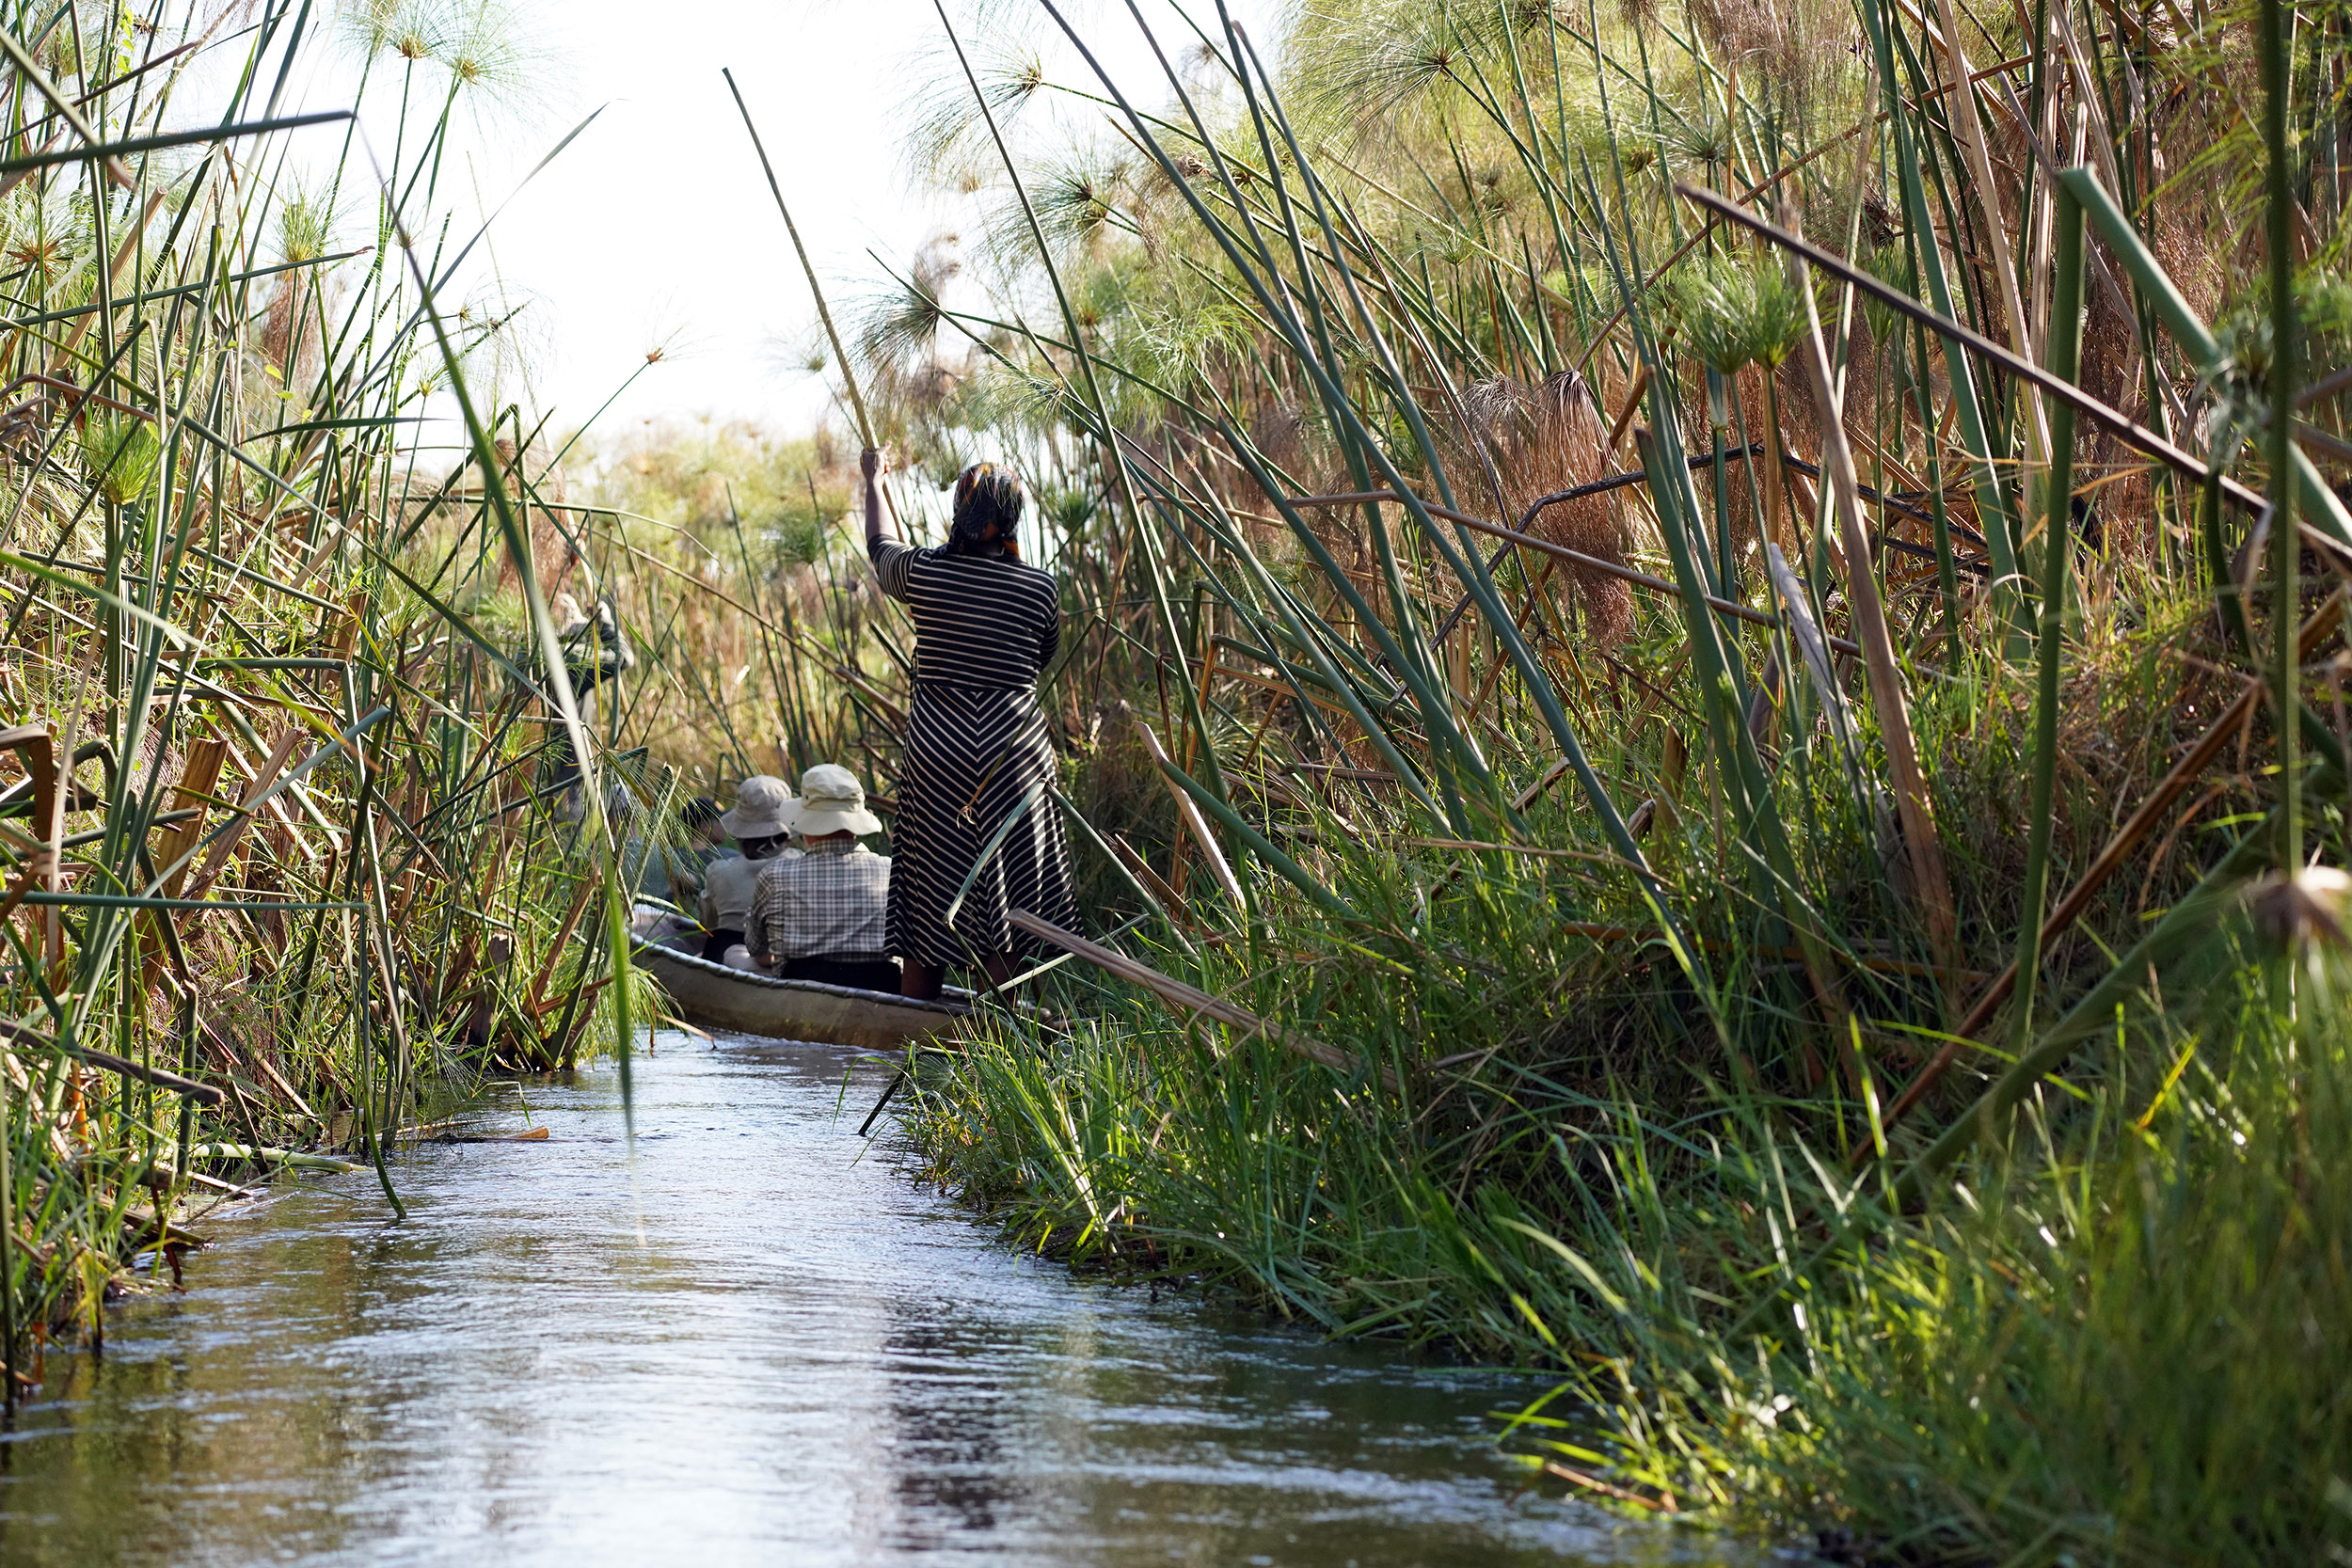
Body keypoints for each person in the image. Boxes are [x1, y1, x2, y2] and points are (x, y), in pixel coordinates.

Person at [863, 448, 1075, 999]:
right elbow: (1041, 656)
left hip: (940, 756)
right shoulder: (1040, 589)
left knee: (932, 883)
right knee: (1006, 881)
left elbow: (880, 548)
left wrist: (874, 481)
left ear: (962, 511)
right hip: (1016, 757)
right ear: (1011, 518)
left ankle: (915, 1027)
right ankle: (1006, 1031)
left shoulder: (928, 574)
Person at [745, 765, 898, 991]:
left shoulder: (775, 876)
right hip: (883, 996)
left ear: (807, 822)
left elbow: (756, 948)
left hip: (798, 1001)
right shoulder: (892, 873)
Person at [697, 775, 797, 961]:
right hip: (786, 961)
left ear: (741, 833)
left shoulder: (718, 871)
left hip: (725, 959)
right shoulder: (802, 865)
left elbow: (707, 923)